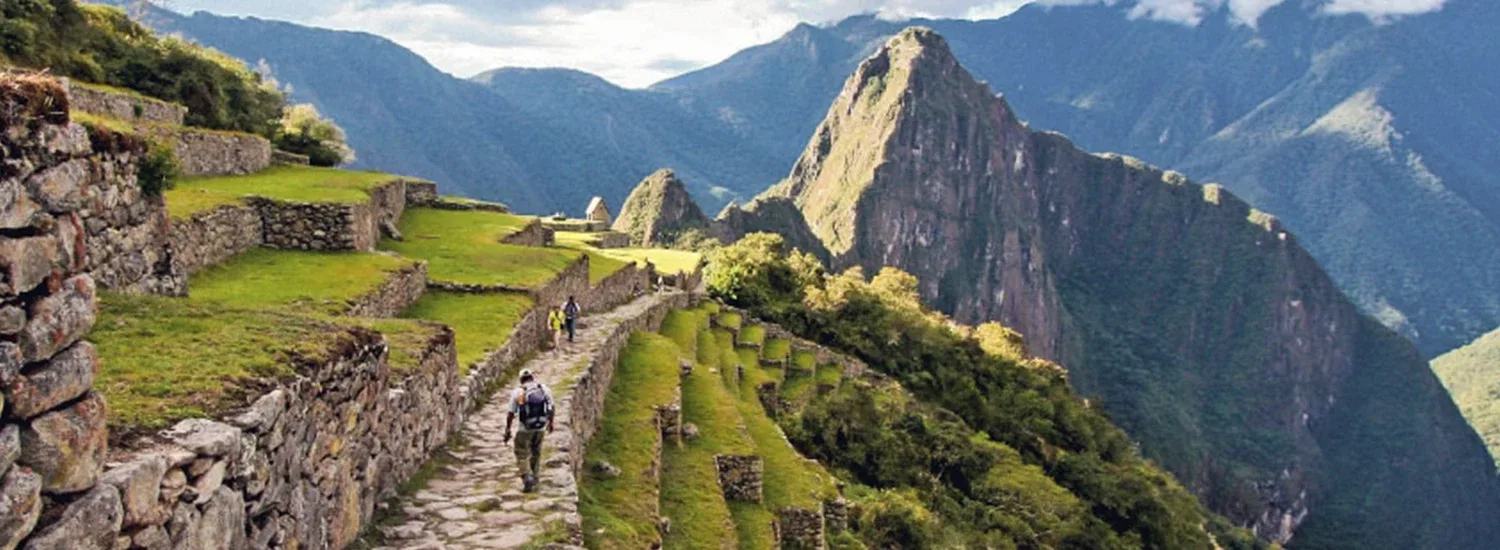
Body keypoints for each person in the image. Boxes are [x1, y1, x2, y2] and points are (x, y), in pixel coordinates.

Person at [503, 369, 554, 493]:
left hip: (524, 429)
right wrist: (551, 423)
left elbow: (511, 413)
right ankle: (535, 477)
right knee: (536, 452)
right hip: (540, 427)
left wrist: (508, 430)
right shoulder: (544, 389)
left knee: (522, 453)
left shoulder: (518, 393)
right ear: (532, 377)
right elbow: (551, 407)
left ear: (521, 379)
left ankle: (526, 476)